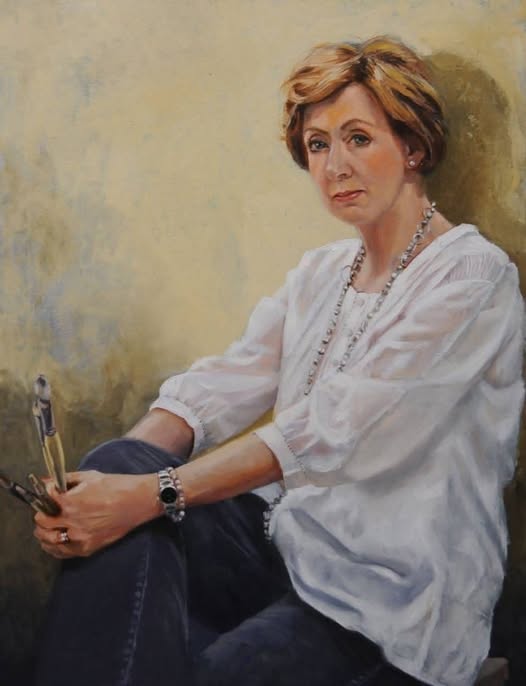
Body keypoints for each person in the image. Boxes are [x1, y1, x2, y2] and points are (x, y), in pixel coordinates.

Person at [33, 36, 524, 686]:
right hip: (285, 546)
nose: (335, 166)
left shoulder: (472, 276)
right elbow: (221, 385)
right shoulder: (322, 273)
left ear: (412, 145)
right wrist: (98, 492)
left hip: (390, 598)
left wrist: (151, 495)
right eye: (318, 145)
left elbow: (336, 427)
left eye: (358, 138)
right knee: (120, 460)